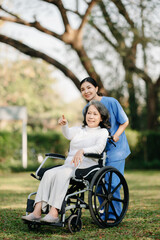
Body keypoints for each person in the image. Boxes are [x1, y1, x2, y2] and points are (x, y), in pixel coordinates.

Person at [21, 100, 110, 223]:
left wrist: (82, 150)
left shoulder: (102, 132)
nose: (91, 116)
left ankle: (54, 212)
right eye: (89, 113)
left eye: (95, 114)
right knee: (48, 174)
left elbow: (99, 148)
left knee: (63, 174)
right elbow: (68, 134)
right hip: (70, 165)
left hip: (87, 165)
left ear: (101, 117)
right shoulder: (80, 129)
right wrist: (64, 125)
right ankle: (36, 211)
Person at [80, 77, 131, 221]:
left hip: (115, 149)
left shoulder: (111, 102)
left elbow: (125, 121)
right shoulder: (86, 109)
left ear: (96, 88)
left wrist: (115, 135)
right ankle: (103, 213)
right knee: (99, 183)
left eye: (89, 87)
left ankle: (114, 215)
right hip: (97, 151)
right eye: (83, 89)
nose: (86, 91)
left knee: (112, 183)